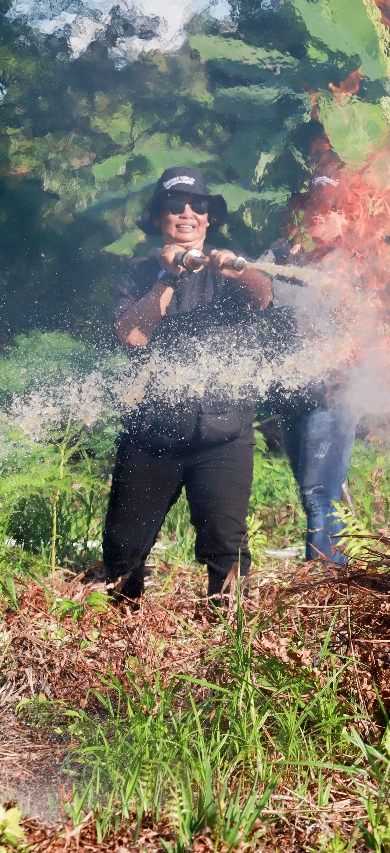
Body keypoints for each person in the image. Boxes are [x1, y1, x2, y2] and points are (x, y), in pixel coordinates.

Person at [104, 166, 273, 604]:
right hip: (151, 435)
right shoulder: (138, 273)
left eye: (198, 206)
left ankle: (229, 644)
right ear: (160, 216)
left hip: (224, 434)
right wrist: (169, 275)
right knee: (123, 553)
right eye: (176, 206)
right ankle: (122, 640)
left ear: (209, 216)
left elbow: (263, 296)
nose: (187, 214)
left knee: (227, 546)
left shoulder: (229, 268)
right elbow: (132, 336)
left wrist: (239, 272)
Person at [267, 172, 359, 564]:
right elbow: (259, 285)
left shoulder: (353, 262)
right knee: (312, 493)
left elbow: (358, 331)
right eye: (312, 206)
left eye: (328, 208)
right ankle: (335, 570)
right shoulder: (287, 254)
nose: (317, 214)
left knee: (320, 491)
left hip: (331, 395)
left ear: (347, 216)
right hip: (293, 392)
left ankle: (326, 583)